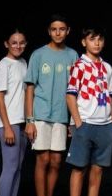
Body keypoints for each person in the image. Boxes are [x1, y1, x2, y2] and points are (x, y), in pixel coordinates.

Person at [25, 15, 79, 196]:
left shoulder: (73, 55)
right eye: (54, 29)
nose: (58, 32)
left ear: (68, 31)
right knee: (43, 159)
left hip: (62, 115)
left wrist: (73, 119)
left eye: (62, 29)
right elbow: (30, 88)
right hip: (40, 114)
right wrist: (29, 120)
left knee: (56, 160)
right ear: (49, 31)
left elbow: (75, 91)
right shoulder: (38, 54)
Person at [66, 26, 112, 196]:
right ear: (83, 42)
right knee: (79, 169)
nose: (97, 43)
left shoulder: (107, 67)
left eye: (100, 39)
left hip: (105, 125)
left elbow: (109, 97)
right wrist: (78, 124)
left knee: (98, 170)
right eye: (92, 39)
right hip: (86, 123)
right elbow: (70, 96)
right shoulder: (79, 66)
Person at [0, 29, 29, 196]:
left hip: (21, 121)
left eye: (21, 42)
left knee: (18, 167)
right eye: (14, 42)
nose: (18, 46)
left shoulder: (23, 62)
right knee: (10, 167)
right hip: (8, 122)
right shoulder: (3, 65)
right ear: (6, 44)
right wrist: (7, 126)